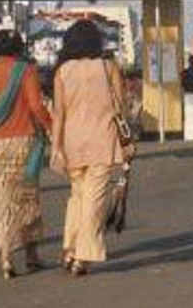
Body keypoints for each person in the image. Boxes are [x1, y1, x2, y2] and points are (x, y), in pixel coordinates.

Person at [0, 29, 53, 279]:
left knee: (1, 197)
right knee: (27, 197)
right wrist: (51, 126)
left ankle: (5, 256)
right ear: (19, 48)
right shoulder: (26, 71)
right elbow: (37, 106)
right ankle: (31, 255)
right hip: (25, 141)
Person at [51, 21, 132, 277]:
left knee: (78, 196)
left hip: (72, 142)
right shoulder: (108, 68)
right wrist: (128, 138)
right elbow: (121, 108)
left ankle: (70, 246)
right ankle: (82, 256)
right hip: (102, 139)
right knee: (94, 198)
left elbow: (59, 115)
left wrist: (56, 148)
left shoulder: (63, 71)